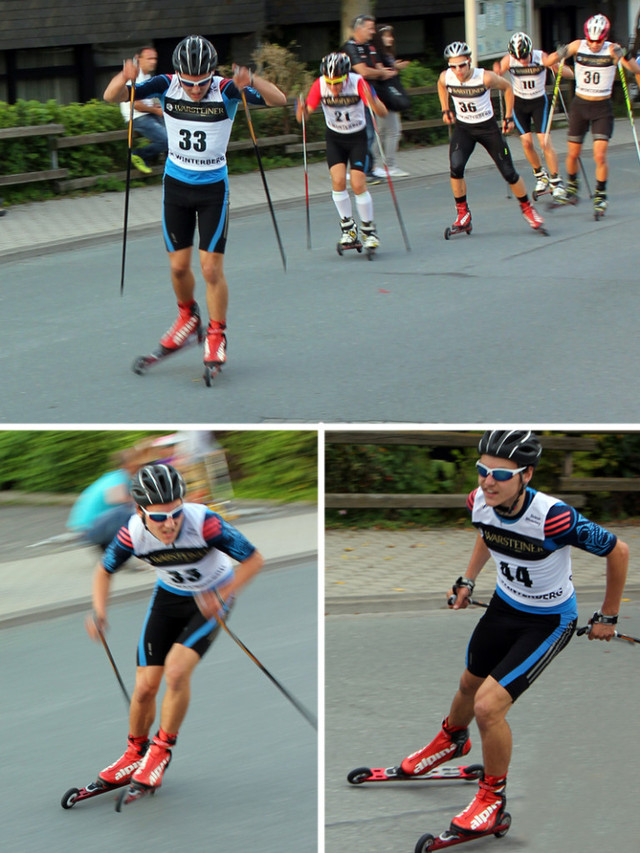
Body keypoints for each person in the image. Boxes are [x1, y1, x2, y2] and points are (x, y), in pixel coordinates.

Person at [399, 430, 629, 838]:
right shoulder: (478, 501)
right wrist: (467, 580)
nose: (488, 481)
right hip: (505, 607)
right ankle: (452, 741)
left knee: (489, 707)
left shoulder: (555, 516)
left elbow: (619, 551)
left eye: (500, 475)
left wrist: (608, 615)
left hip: (548, 620)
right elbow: (486, 536)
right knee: (468, 683)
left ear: (527, 475)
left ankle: (492, 797)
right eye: (481, 471)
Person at [104, 35, 287, 376]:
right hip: (175, 187)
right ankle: (188, 319)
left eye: (202, 83)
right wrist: (124, 76)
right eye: (188, 83)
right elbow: (111, 96)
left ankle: (216, 333)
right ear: (178, 74)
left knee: (210, 270)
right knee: (177, 267)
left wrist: (252, 80)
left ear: (212, 74)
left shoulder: (227, 89)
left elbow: (278, 99)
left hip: (213, 189)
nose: (195, 90)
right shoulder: (165, 84)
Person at [86, 463, 264, 794]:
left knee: (177, 672)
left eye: (175, 513)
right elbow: (103, 570)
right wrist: (99, 610)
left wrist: (222, 593)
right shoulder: (132, 533)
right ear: (140, 512)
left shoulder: (206, 523)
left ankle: (161, 750)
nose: (169, 524)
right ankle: (133, 753)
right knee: (144, 688)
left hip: (212, 596)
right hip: (169, 598)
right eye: (158, 517)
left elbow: (254, 560)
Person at [438, 41, 546, 234]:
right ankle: (463, 215)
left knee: (508, 172)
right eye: (453, 66)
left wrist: (508, 117)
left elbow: (508, 89)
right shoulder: (447, 77)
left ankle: (528, 209)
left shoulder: (485, 77)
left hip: (488, 129)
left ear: (469, 61)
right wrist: (445, 108)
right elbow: (440, 85)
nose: (458, 70)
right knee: (455, 167)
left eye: (462, 65)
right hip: (464, 129)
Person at [544, 14, 635, 216]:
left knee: (600, 155)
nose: (594, 44)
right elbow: (549, 60)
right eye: (591, 40)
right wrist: (559, 54)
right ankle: (572, 188)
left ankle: (600, 195)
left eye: (599, 40)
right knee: (573, 154)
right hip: (580, 105)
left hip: (602, 108)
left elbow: (635, 69)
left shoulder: (613, 49)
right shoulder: (577, 46)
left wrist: (625, 55)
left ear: (605, 36)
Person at [296, 52, 387, 252]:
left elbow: (382, 112)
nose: (333, 88)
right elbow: (303, 117)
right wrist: (301, 111)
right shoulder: (319, 85)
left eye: (337, 83)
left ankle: (368, 230)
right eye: (330, 83)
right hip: (335, 138)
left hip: (357, 138)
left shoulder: (358, 83)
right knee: (337, 181)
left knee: (357, 183)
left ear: (346, 77)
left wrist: (372, 101)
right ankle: (348, 228)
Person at [493, 32, 571, 200]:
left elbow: (559, 67)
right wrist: (497, 71)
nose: (522, 61)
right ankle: (540, 175)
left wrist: (560, 60)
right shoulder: (509, 60)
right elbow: (497, 71)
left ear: (530, 50)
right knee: (527, 143)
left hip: (538, 102)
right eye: (518, 58)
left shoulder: (539, 56)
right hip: (519, 103)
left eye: (525, 57)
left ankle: (556, 181)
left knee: (544, 142)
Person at [342, 14, 398, 180]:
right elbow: (364, 71)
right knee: (365, 133)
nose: (373, 32)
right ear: (359, 28)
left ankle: (368, 167)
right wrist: (380, 72)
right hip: (353, 98)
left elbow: (380, 68)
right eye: (370, 28)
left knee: (371, 133)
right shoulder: (350, 47)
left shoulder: (370, 47)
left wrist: (381, 72)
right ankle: (363, 170)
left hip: (370, 94)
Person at [67, 441, 153, 549]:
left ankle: (111, 553)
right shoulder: (119, 478)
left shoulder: (117, 477)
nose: (142, 465)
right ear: (128, 465)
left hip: (90, 527)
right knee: (133, 513)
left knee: (132, 510)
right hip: (90, 529)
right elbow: (116, 498)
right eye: (138, 463)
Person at [119, 46, 168, 175]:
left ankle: (168, 164)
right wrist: (157, 111)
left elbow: (148, 103)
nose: (153, 61)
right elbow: (136, 105)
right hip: (136, 117)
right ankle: (139, 155)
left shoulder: (147, 77)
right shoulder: (134, 76)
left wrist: (157, 108)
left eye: (154, 58)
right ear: (138, 59)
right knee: (166, 140)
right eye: (149, 58)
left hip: (147, 114)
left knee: (174, 136)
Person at [372, 25, 410, 178]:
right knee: (393, 132)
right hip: (384, 96)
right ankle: (390, 165)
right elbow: (383, 73)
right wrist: (395, 68)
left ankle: (372, 163)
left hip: (387, 95)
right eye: (386, 36)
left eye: (391, 36)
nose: (390, 38)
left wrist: (394, 66)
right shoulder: (377, 53)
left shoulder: (386, 53)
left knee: (381, 133)